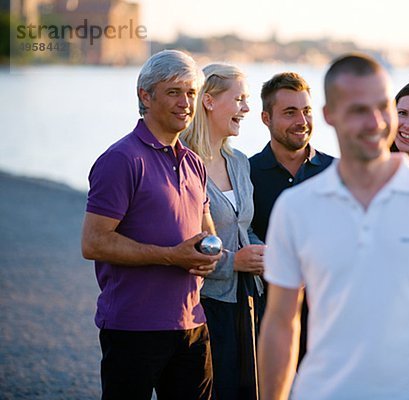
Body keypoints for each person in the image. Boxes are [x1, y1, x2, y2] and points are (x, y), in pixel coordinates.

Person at [258, 54, 409, 399]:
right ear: (329, 116)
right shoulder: (297, 207)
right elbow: (280, 324)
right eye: (358, 109)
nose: (376, 121)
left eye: (382, 107)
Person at [81, 50, 220, 400]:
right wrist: (172, 256)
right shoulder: (120, 159)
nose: (186, 102)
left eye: (191, 93)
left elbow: (206, 231)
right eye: (174, 92)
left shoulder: (194, 163)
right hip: (133, 327)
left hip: (191, 323)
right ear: (146, 95)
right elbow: (94, 243)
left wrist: (211, 251)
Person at [182, 63, 265, 400]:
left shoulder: (240, 162)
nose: (246, 109)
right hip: (204, 304)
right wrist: (234, 262)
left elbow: (243, 228)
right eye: (240, 99)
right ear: (209, 101)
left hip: (247, 299)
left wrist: (262, 252)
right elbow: (180, 244)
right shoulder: (184, 161)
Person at [249, 71, 334, 365]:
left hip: (328, 325)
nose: (302, 121)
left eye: (307, 111)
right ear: (265, 118)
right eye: (289, 112)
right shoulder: (246, 175)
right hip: (266, 322)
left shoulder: (338, 174)